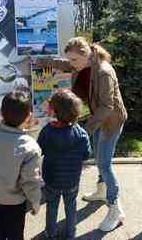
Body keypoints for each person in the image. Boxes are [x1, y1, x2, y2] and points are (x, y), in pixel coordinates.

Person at [37, 37, 127, 232]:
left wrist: (83, 131)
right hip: (98, 117)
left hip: (110, 121)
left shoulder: (104, 72)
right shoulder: (81, 64)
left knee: (104, 164)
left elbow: (107, 107)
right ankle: (102, 191)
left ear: (86, 55)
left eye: (74, 60)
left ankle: (115, 209)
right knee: (100, 160)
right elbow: (61, 63)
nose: (71, 65)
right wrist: (39, 61)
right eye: (70, 60)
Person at [0, 91, 42, 240]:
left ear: (1, 112)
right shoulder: (30, 146)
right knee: (15, 234)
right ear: (28, 116)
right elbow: (31, 181)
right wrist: (35, 201)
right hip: (15, 203)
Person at [38, 89, 91, 240]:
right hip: (72, 180)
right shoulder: (81, 133)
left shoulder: (47, 131)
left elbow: (38, 151)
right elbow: (86, 155)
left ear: (55, 111)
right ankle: (70, 233)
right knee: (71, 206)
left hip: (52, 179)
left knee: (52, 206)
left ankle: (51, 232)